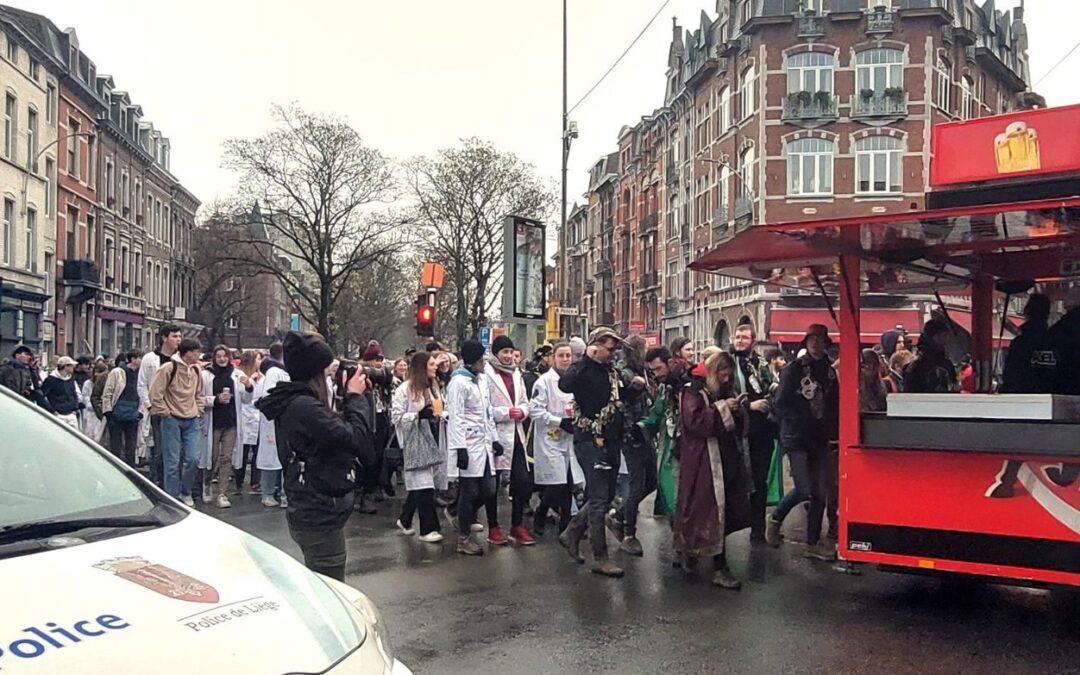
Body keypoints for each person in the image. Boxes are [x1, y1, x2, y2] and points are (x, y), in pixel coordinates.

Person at [255, 331, 374, 581]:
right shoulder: (304, 407)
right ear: (315, 371)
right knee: (331, 588)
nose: (331, 374)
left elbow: (334, 433)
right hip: (318, 513)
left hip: (311, 509)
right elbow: (358, 441)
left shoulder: (298, 402)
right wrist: (355, 398)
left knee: (322, 581)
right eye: (326, 370)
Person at [557, 326, 644, 578]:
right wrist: (585, 358)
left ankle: (572, 532)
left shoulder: (611, 372)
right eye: (609, 347)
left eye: (615, 348)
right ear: (596, 345)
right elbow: (565, 384)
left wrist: (635, 388)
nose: (613, 352)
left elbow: (616, 399)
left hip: (612, 438)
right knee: (597, 498)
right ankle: (600, 557)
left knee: (605, 496)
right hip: (590, 440)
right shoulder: (584, 369)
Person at [674, 351, 751, 589]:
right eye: (723, 374)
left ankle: (706, 556)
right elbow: (695, 423)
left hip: (724, 458)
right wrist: (722, 409)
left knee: (721, 510)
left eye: (729, 375)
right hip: (702, 461)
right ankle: (706, 559)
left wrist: (738, 410)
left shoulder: (722, 389)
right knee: (701, 508)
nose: (727, 380)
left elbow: (733, 424)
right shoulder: (694, 389)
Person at [767, 324, 840, 561]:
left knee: (819, 491)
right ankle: (776, 518)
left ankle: (812, 542)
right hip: (796, 436)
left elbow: (834, 403)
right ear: (806, 342)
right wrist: (798, 417)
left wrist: (833, 430)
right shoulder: (794, 369)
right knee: (804, 489)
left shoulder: (829, 370)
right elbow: (780, 403)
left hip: (819, 437)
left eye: (820, 339)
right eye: (812, 339)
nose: (816, 343)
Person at [446, 340, 501, 556]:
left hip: (484, 444)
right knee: (470, 492)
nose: (484, 362)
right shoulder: (458, 383)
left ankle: (458, 514)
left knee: (489, 489)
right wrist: (460, 448)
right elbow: (456, 417)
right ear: (472, 360)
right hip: (469, 444)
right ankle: (464, 538)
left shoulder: (481, 380)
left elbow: (487, 412)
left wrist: (494, 438)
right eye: (481, 359)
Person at [391, 351, 449, 543]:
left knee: (421, 483)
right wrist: (417, 415)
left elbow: (439, 408)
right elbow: (397, 418)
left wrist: (441, 414)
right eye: (431, 364)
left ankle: (405, 519)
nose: (435, 367)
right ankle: (428, 528)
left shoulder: (432, 387)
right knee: (424, 485)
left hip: (432, 437)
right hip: (415, 441)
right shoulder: (405, 389)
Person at [728, 324, 777, 544]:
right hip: (735, 431)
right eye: (737, 337)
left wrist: (771, 396)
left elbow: (770, 388)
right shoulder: (726, 363)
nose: (739, 341)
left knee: (759, 481)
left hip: (760, 432)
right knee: (734, 480)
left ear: (753, 341)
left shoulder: (762, 364)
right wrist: (749, 406)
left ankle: (758, 529)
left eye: (744, 338)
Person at [481, 335, 531, 546]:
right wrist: (506, 412)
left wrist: (522, 411)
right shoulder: (486, 374)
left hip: (517, 434)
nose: (509, 356)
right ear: (496, 353)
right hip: (497, 435)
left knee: (522, 482)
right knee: (492, 485)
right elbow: (484, 407)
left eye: (511, 352)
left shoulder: (517, 374)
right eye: (505, 352)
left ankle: (517, 525)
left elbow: (524, 401)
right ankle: (493, 527)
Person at [529, 341, 582, 537]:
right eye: (561, 356)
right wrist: (558, 421)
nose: (565, 359)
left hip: (570, 438)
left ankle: (566, 524)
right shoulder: (543, 382)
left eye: (568, 356)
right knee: (557, 482)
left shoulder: (575, 380)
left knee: (569, 482)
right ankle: (541, 511)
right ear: (553, 358)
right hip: (550, 439)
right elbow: (534, 410)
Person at [609, 334, 655, 557]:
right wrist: (633, 388)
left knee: (651, 480)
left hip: (644, 431)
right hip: (631, 433)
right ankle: (628, 532)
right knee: (636, 484)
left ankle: (618, 515)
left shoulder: (643, 369)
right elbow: (619, 397)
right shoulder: (623, 371)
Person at [149, 338, 207, 504]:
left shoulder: (196, 370)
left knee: (194, 458)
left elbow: (198, 393)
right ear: (188, 353)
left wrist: (198, 409)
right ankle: (172, 497)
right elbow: (155, 393)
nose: (199, 355)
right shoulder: (169, 368)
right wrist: (165, 412)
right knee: (172, 462)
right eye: (196, 352)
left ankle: (185, 491)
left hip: (191, 419)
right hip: (172, 419)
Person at [198, 345, 253, 508]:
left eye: (225, 356)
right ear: (214, 358)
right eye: (218, 356)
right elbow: (199, 398)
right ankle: (207, 484)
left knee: (227, 458)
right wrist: (215, 399)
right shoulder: (206, 375)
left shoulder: (237, 374)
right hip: (213, 422)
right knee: (212, 457)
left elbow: (246, 399)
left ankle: (222, 493)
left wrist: (249, 386)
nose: (222, 359)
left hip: (231, 422)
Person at [640, 346, 689, 522]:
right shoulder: (665, 387)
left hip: (690, 445)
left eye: (658, 368)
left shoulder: (688, 381)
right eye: (652, 371)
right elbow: (657, 411)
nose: (656, 374)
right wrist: (641, 427)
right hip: (671, 443)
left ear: (669, 362)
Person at [138, 324, 183, 487]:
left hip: (177, 410)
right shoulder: (150, 359)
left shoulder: (180, 359)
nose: (178, 339)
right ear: (164, 338)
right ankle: (157, 483)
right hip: (158, 411)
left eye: (179, 336)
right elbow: (142, 384)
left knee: (176, 452)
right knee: (159, 451)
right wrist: (150, 406)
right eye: (174, 336)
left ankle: (173, 485)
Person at [254, 342, 289, 508]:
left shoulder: (290, 372)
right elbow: (270, 395)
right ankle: (267, 492)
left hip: (287, 420)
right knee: (270, 457)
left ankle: (285, 494)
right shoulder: (274, 372)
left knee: (286, 458)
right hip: (273, 420)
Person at [358, 340, 391, 513]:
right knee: (368, 459)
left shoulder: (384, 376)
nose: (379, 363)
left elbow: (386, 377)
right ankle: (365, 495)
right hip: (368, 420)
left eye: (381, 359)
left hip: (381, 417)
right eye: (375, 359)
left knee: (379, 458)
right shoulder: (361, 373)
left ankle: (375, 487)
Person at [102, 350, 143, 466]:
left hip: (133, 413)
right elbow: (108, 392)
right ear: (133, 359)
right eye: (140, 358)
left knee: (131, 444)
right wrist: (108, 411)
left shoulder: (141, 374)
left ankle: (130, 467)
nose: (141, 361)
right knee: (116, 444)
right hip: (116, 413)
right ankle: (116, 466)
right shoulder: (117, 372)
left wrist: (140, 412)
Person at [234, 350, 263, 493]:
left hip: (257, 418)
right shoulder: (240, 376)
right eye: (258, 359)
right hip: (245, 417)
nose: (260, 362)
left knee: (257, 451)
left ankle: (255, 482)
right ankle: (238, 481)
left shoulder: (261, 377)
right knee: (242, 452)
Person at [905, 319, 957, 393]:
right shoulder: (944, 365)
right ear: (935, 337)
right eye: (944, 336)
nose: (946, 340)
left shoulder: (914, 366)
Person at [41, 356, 82, 428]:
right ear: (66, 366)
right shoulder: (50, 380)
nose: (73, 367)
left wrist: (75, 408)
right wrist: (52, 411)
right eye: (71, 365)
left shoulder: (71, 378)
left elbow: (74, 394)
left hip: (71, 414)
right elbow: (41, 396)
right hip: (58, 415)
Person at [81, 362, 110, 442]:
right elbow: (85, 396)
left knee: (99, 436)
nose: (97, 374)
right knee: (89, 434)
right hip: (90, 412)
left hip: (101, 413)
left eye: (99, 372)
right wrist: (90, 405)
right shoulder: (88, 383)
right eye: (95, 372)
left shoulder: (107, 384)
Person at [859, 348, 888, 413]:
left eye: (875, 365)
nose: (872, 369)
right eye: (865, 366)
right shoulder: (858, 382)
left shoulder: (880, 384)